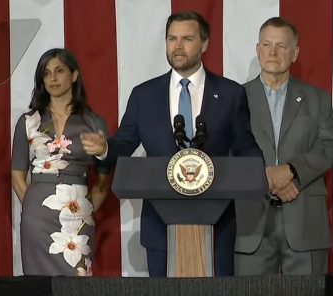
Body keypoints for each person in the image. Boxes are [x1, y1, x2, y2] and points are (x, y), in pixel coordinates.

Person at [83, 10, 265, 277]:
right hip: (160, 225)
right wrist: (105, 149)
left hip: (216, 226)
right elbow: (124, 143)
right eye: (172, 38)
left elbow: (245, 147)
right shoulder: (144, 95)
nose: (177, 46)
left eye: (187, 39)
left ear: (204, 44)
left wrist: (259, 172)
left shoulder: (230, 93)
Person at [235, 17, 333, 275]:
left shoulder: (317, 98)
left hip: (304, 219)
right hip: (251, 222)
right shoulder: (234, 98)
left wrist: (290, 171)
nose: (272, 52)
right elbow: (227, 151)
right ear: (258, 50)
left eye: (281, 46)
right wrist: (267, 178)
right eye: (267, 44)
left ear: (295, 53)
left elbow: (327, 147)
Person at [11, 48, 111, 276]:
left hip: (78, 215)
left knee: (78, 280)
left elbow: (104, 181)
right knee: (38, 285)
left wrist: (85, 210)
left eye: (59, 71)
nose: (53, 78)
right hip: (37, 214)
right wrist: (35, 205)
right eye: (46, 74)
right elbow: (17, 176)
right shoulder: (28, 122)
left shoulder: (93, 122)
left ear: (74, 75)